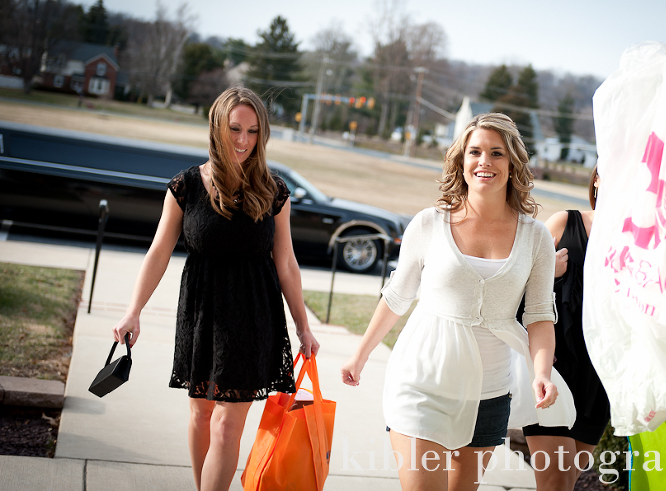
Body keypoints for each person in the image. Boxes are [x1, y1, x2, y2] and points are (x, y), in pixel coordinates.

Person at [340, 113, 575, 490]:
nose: (485, 162)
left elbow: (539, 315)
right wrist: (360, 354)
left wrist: (542, 371)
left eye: (496, 153)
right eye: (475, 152)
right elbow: (398, 296)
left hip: (489, 392)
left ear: (512, 162)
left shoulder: (535, 238)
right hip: (421, 382)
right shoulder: (429, 224)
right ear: (461, 162)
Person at [112, 86, 320, 491]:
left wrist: (303, 326)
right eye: (235, 129)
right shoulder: (185, 186)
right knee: (201, 415)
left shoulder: (273, 191)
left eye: (253, 131)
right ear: (216, 128)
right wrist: (132, 309)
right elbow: (158, 251)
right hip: (201, 314)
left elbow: (287, 263)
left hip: (252, 316)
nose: (243, 140)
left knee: (227, 425)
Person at [522, 166, 610, 491]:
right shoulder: (564, 222)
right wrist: (551, 275)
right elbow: (518, 287)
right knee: (556, 482)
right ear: (597, 178)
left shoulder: (639, 240)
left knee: (566, 482)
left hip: (599, 379)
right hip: (556, 371)